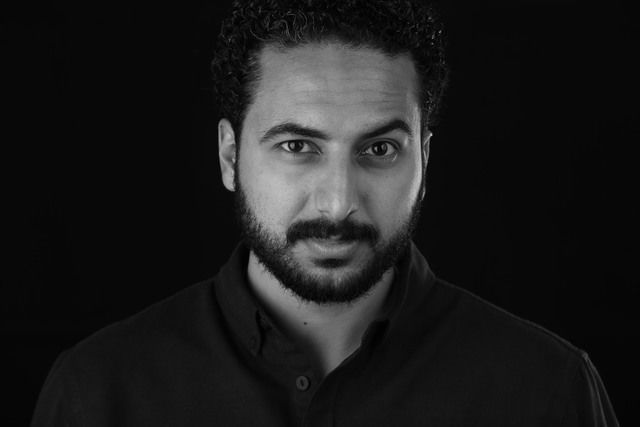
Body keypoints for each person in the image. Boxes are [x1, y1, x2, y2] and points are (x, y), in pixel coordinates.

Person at [32, 0, 619, 425]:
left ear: (425, 159)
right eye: (297, 146)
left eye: (379, 149)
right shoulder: (99, 393)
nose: (338, 203)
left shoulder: (548, 391)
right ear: (230, 156)